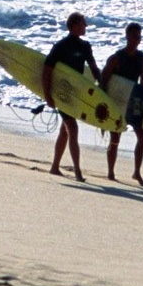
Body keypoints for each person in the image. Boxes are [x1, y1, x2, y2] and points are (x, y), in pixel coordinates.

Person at [41, 12, 100, 181]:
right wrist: (48, 95)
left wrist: (101, 88)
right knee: (72, 129)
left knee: (65, 131)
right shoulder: (61, 46)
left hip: (75, 94)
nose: (86, 26)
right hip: (61, 93)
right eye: (83, 23)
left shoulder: (85, 46)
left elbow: (94, 68)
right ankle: (77, 172)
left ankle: (54, 167)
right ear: (74, 25)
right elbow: (47, 71)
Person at [101, 22, 143, 185]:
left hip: (134, 101)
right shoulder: (115, 59)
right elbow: (103, 82)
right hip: (117, 102)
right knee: (115, 137)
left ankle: (137, 172)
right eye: (135, 37)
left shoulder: (142, 58)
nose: (138, 40)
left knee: (142, 136)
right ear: (127, 36)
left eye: (139, 37)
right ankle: (110, 172)